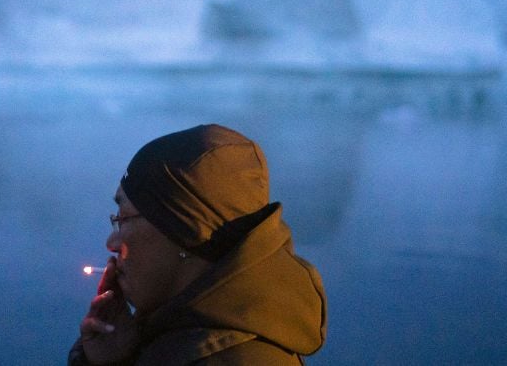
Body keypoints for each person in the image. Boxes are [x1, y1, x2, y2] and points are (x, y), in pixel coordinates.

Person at [69, 124, 327, 365]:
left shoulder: (242, 359)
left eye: (123, 218)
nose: (111, 243)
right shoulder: (181, 342)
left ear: (185, 232)